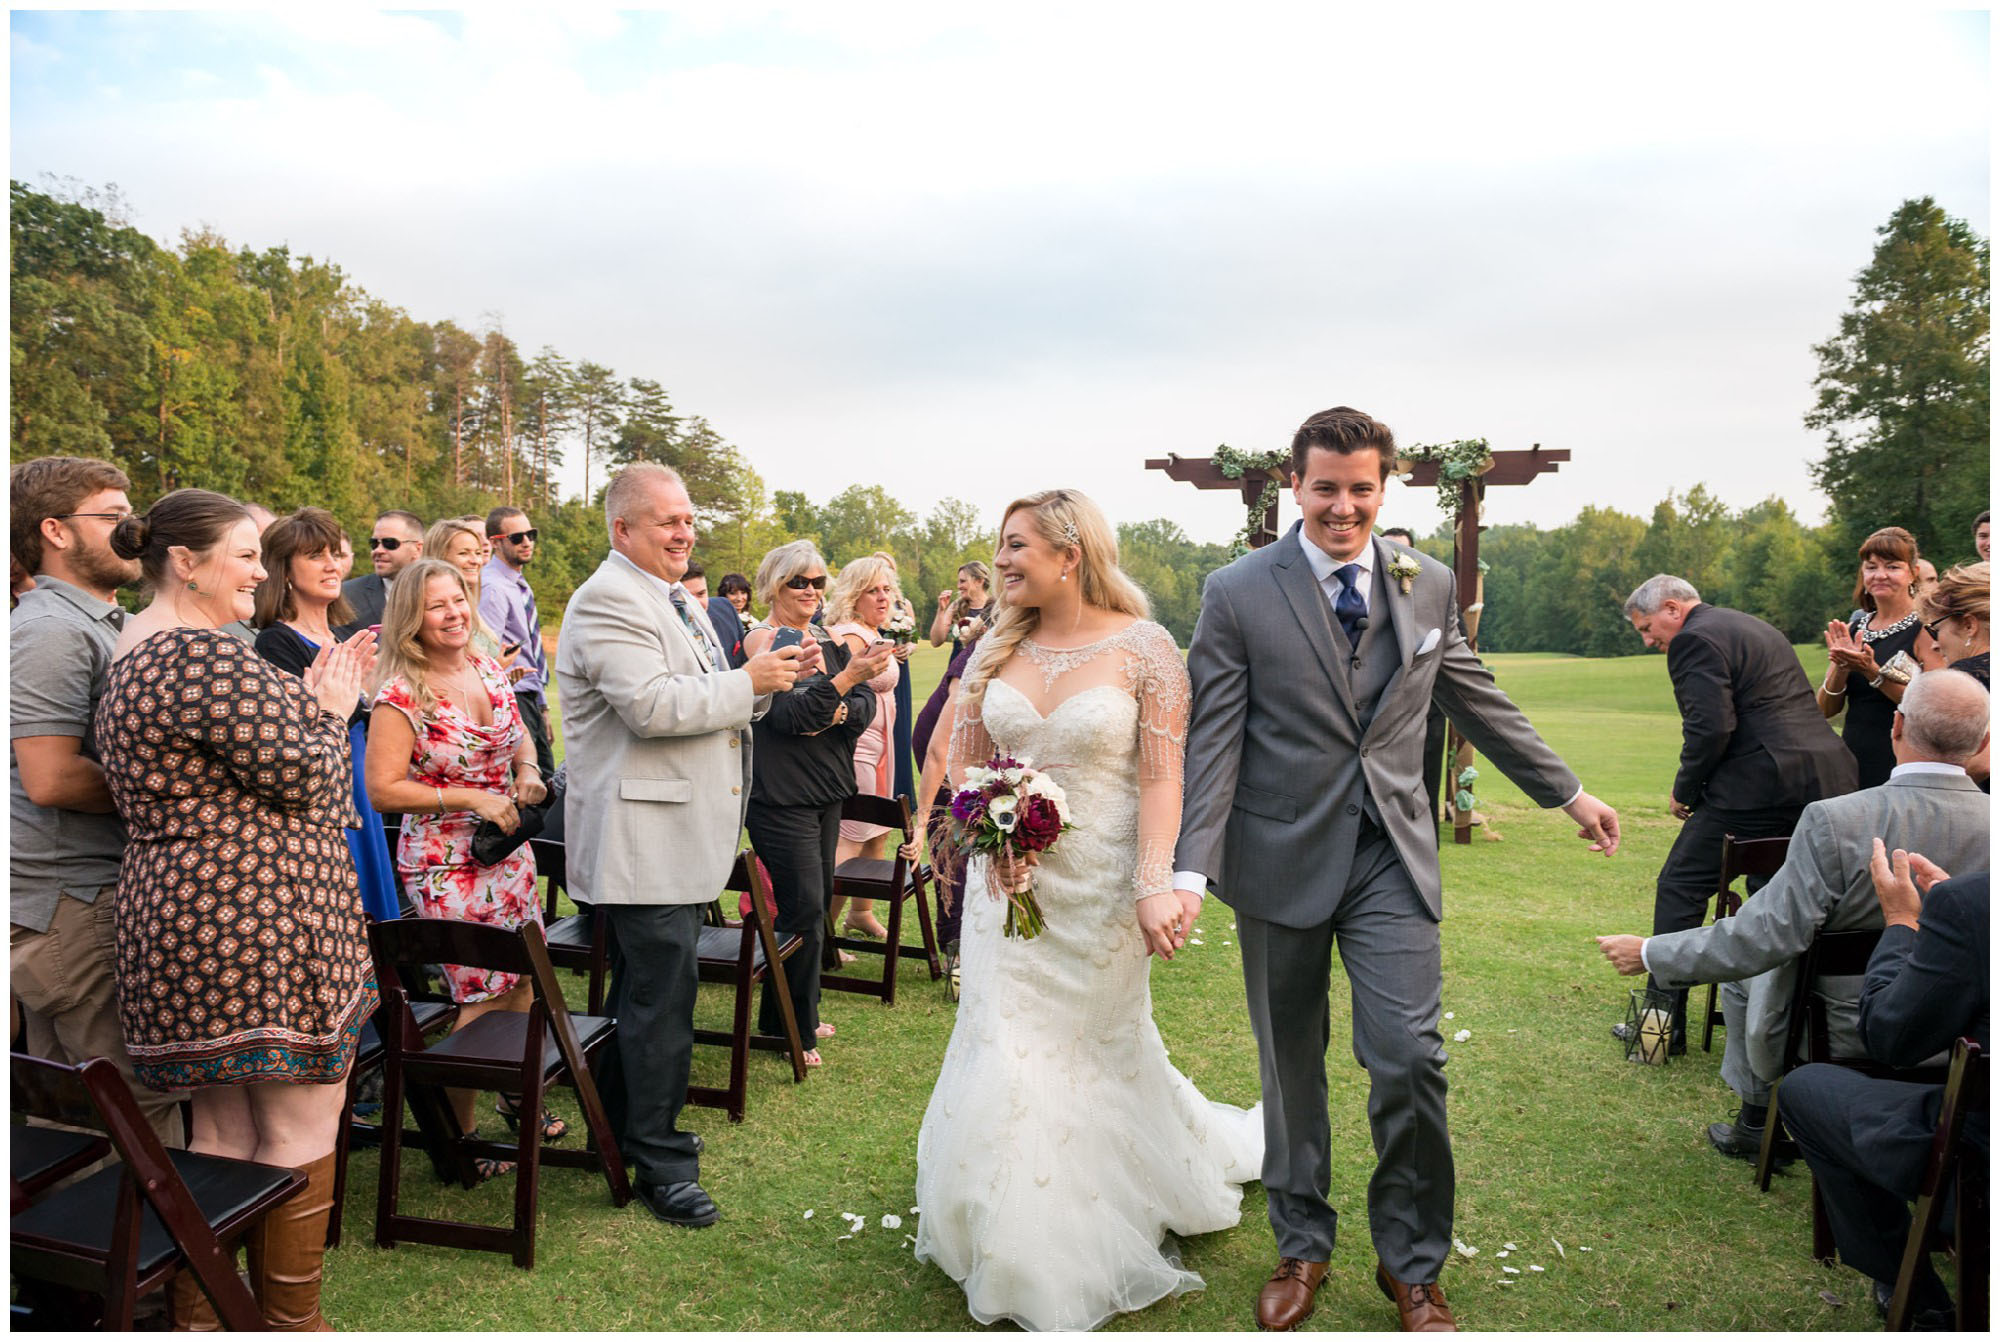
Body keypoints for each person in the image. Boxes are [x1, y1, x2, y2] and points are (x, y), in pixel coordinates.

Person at [1172, 406, 1622, 1332]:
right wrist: (1187, 872)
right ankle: (1302, 1246)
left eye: (1361, 488)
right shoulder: (1237, 591)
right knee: (1289, 1063)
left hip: (1391, 856)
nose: (1344, 507)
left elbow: (1476, 696)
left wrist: (1567, 794)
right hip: (1277, 853)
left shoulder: (1427, 583)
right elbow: (1214, 739)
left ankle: (1412, 1263)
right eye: (1327, 487)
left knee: (1410, 1057)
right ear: (1293, 487)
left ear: (1386, 489)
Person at [914, 488, 1262, 1332]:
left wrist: (1156, 884)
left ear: (1070, 554)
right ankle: (1019, 1239)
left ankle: (1113, 1193)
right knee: (1005, 1043)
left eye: (1016, 546)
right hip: (1010, 889)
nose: (1000, 561)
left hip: (1103, 890)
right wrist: (990, 826)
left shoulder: (1145, 649)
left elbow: (1162, 778)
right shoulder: (995, 644)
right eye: (999, 546)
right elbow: (962, 760)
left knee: (1095, 1048)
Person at [96, 488, 376, 1330]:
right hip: (257, 926)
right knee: (298, 1119)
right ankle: (290, 1324)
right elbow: (317, 777)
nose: (262, 569)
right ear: (185, 562)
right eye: (247, 554)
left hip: (188, 919)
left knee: (218, 1128)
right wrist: (330, 710)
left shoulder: (132, 650)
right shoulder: (199, 656)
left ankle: (203, 1318)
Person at [1595, 669, 1989, 1160]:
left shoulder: (1836, 819)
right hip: (1971, 1035)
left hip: (1848, 1026)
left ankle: (1757, 1120)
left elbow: (1765, 935)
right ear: (1983, 741)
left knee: (1746, 978)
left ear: (1896, 726)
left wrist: (1651, 951)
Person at [554, 463, 805, 1229]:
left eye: (688, 519)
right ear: (622, 529)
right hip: (642, 839)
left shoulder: (666, 596)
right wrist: (749, 679)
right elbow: (653, 707)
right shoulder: (606, 600)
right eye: (666, 521)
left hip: (673, 835)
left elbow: (705, 692)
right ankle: (663, 1163)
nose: (684, 531)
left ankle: (628, 1129)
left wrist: (762, 681)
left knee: (649, 993)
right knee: (664, 1001)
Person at [10, 456, 185, 1146]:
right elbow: (49, 777)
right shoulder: (51, 631)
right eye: (111, 518)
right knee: (131, 1103)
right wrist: (180, 788)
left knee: (73, 1112)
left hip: (87, 895)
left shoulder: (97, 621)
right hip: (73, 904)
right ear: (54, 531)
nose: (132, 529)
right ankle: (157, 1255)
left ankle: (77, 1253)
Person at [1613, 575, 1858, 1052]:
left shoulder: (1693, 639)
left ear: (1671, 607)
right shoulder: (1753, 626)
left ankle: (1659, 1030)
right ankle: (1794, 1021)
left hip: (1762, 782)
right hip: (1829, 775)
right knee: (1783, 890)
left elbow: (1710, 727)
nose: (1648, 640)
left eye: (1646, 628)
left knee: (1682, 884)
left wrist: (1685, 789)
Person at [365, 559, 554, 1169]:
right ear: (409, 620)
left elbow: (517, 731)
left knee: (522, 978)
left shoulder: (485, 663)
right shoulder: (400, 693)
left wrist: (526, 770)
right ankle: (462, 1138)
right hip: (446, 859)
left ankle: (517, 1100)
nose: (453, 614)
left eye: (457, 601)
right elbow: (382, 790)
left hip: (506, 850)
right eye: (435, 606)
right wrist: (470, 796)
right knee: (479, 992)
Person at [1781, 849, 1987, 1329]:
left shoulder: (1975, 904)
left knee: (1807, 1088)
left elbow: (1891, 1037)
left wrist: (1901, 922)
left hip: (1976, 1170)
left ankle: (1919, 1299)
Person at [739, 541, 887, 1065]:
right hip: (781, 797)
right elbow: (788, 718)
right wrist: (844, 685)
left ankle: (790, 1014)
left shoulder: (824, 636)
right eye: (798, 582)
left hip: (826, 788)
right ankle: (792, 1031)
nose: (810, 591)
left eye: (818, 582)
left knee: (816, 903)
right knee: (801, 908)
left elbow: (866, 704)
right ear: (774, 585)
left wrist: (839, 707)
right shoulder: (764, 637)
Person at [251, 508, 402, 923]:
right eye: (316, 555)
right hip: (325, 792)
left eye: (335, 554)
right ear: (283, 570)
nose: (332, 565)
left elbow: (359, 711)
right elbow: (294, 732)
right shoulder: (275, 642)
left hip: (359, 779)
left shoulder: (338, 636)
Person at [825, 553, 904, 941]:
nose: (883, 597)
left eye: (887, 589)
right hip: (858, 747)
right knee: (851, 836)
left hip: (882, 744)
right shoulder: (850, 635)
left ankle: (860, 912)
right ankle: (821, 936)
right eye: (873, 590)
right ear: (854, 595)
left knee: (878, 830)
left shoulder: (872, 633)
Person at [1818, 526, 1929, 788]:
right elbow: (1825, 710)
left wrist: (1872, 672)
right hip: (1855, 759)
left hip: (1906, 760)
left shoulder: (1928, 628)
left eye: (1892, 567)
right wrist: (1841, 667)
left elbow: (1930, 707)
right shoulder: (1856, 629)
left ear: (1913, 573)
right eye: (1871, 567)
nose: (1880, 575)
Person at [905, 633, 983, 993]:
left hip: (980, 749)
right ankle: (957, 951)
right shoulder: (973, 660)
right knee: (954, 846)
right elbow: (939, 749)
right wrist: (921, 824)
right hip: (943, 749)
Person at [1380, 526, 1450, 835]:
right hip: (1378, 718)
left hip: (1426, 712)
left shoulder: (1433, 593)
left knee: (1425, 785)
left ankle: (1426, 844)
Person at [479, 505, 556, 778]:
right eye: (517, 537)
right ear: (495, 543)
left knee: (547, 783)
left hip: (530, 695)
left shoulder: (517, 583)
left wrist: (543, 707)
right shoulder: (493, 588)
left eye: (531, 534)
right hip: (512, 696)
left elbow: (530, 651)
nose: (527, 542)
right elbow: (485, 656)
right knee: (529, 787)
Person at [1917, 561, 1990, 788]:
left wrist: (1931, 790)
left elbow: (1983, 762)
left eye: (1936, 630)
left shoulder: (1966, 680)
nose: (1934, 645)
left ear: (1969, 625)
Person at [425, 516, 516, 667]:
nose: (475, 561)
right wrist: (493, 671)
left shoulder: (471, 607)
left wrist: (501, 681)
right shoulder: (428, 611)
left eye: (478, 553)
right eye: (464, 553)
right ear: (440, 556)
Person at [342, 507, 425, 630]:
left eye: (389, 543)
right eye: (374, 543)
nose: (378, 550)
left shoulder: (442, 592)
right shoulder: (346, 596)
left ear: (417, 549)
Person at [926, 559, 993, 657]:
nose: (958, 586)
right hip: (957, 669)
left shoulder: (995, 607)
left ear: (979, 581)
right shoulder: (956, 606)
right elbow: (936, 642)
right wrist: (941, 610)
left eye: (962, 581)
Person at [707, 572, 753, 669]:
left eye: (743, 593)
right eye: (733, 593)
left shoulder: (754, 622)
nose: (739, 598)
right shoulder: (715, 622)